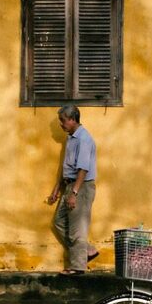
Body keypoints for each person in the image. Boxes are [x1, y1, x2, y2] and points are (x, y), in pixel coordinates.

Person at [44, 104, 99, 275]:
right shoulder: (71, 137)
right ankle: (87, 250)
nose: (61, 124)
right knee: (59, 222)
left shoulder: (84, 139)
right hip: (69, 185)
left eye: (63, 120)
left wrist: (74, 193)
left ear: (73, 119)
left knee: (77, 229)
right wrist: (57, 189)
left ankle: (77, 267)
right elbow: (66, 166)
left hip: (80, 187)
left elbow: (83, 168)